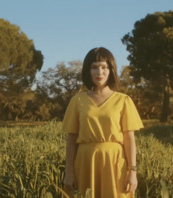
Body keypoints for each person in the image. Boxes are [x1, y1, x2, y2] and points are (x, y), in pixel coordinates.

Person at [62, 47, 144, 198]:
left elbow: (129, 139)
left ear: (111, 70)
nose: (99, 72)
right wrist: (69, 172)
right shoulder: (77, 101)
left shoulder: (123, 100)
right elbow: (71, 139)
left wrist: (133, 172)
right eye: (94, 67)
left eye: (104, 67)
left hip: (115, 165)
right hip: (85, 163)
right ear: (88, 71)